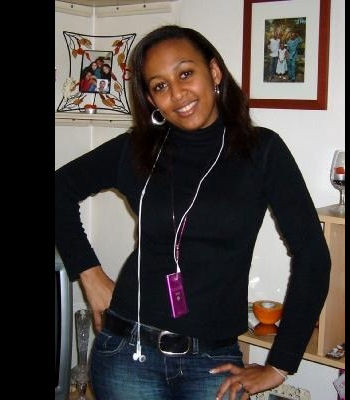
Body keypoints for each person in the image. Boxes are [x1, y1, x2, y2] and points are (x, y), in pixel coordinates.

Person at [55, 25, 330, 399]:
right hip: (127, 353)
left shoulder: (261, 150)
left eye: (185, 74)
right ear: (151, 98)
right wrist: (89, 274)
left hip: (213, 363)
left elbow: (312, 254)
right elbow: (59, 189)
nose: (177, 93)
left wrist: (280, 363)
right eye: (160, 85)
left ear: (214, 72)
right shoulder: (136, 150)